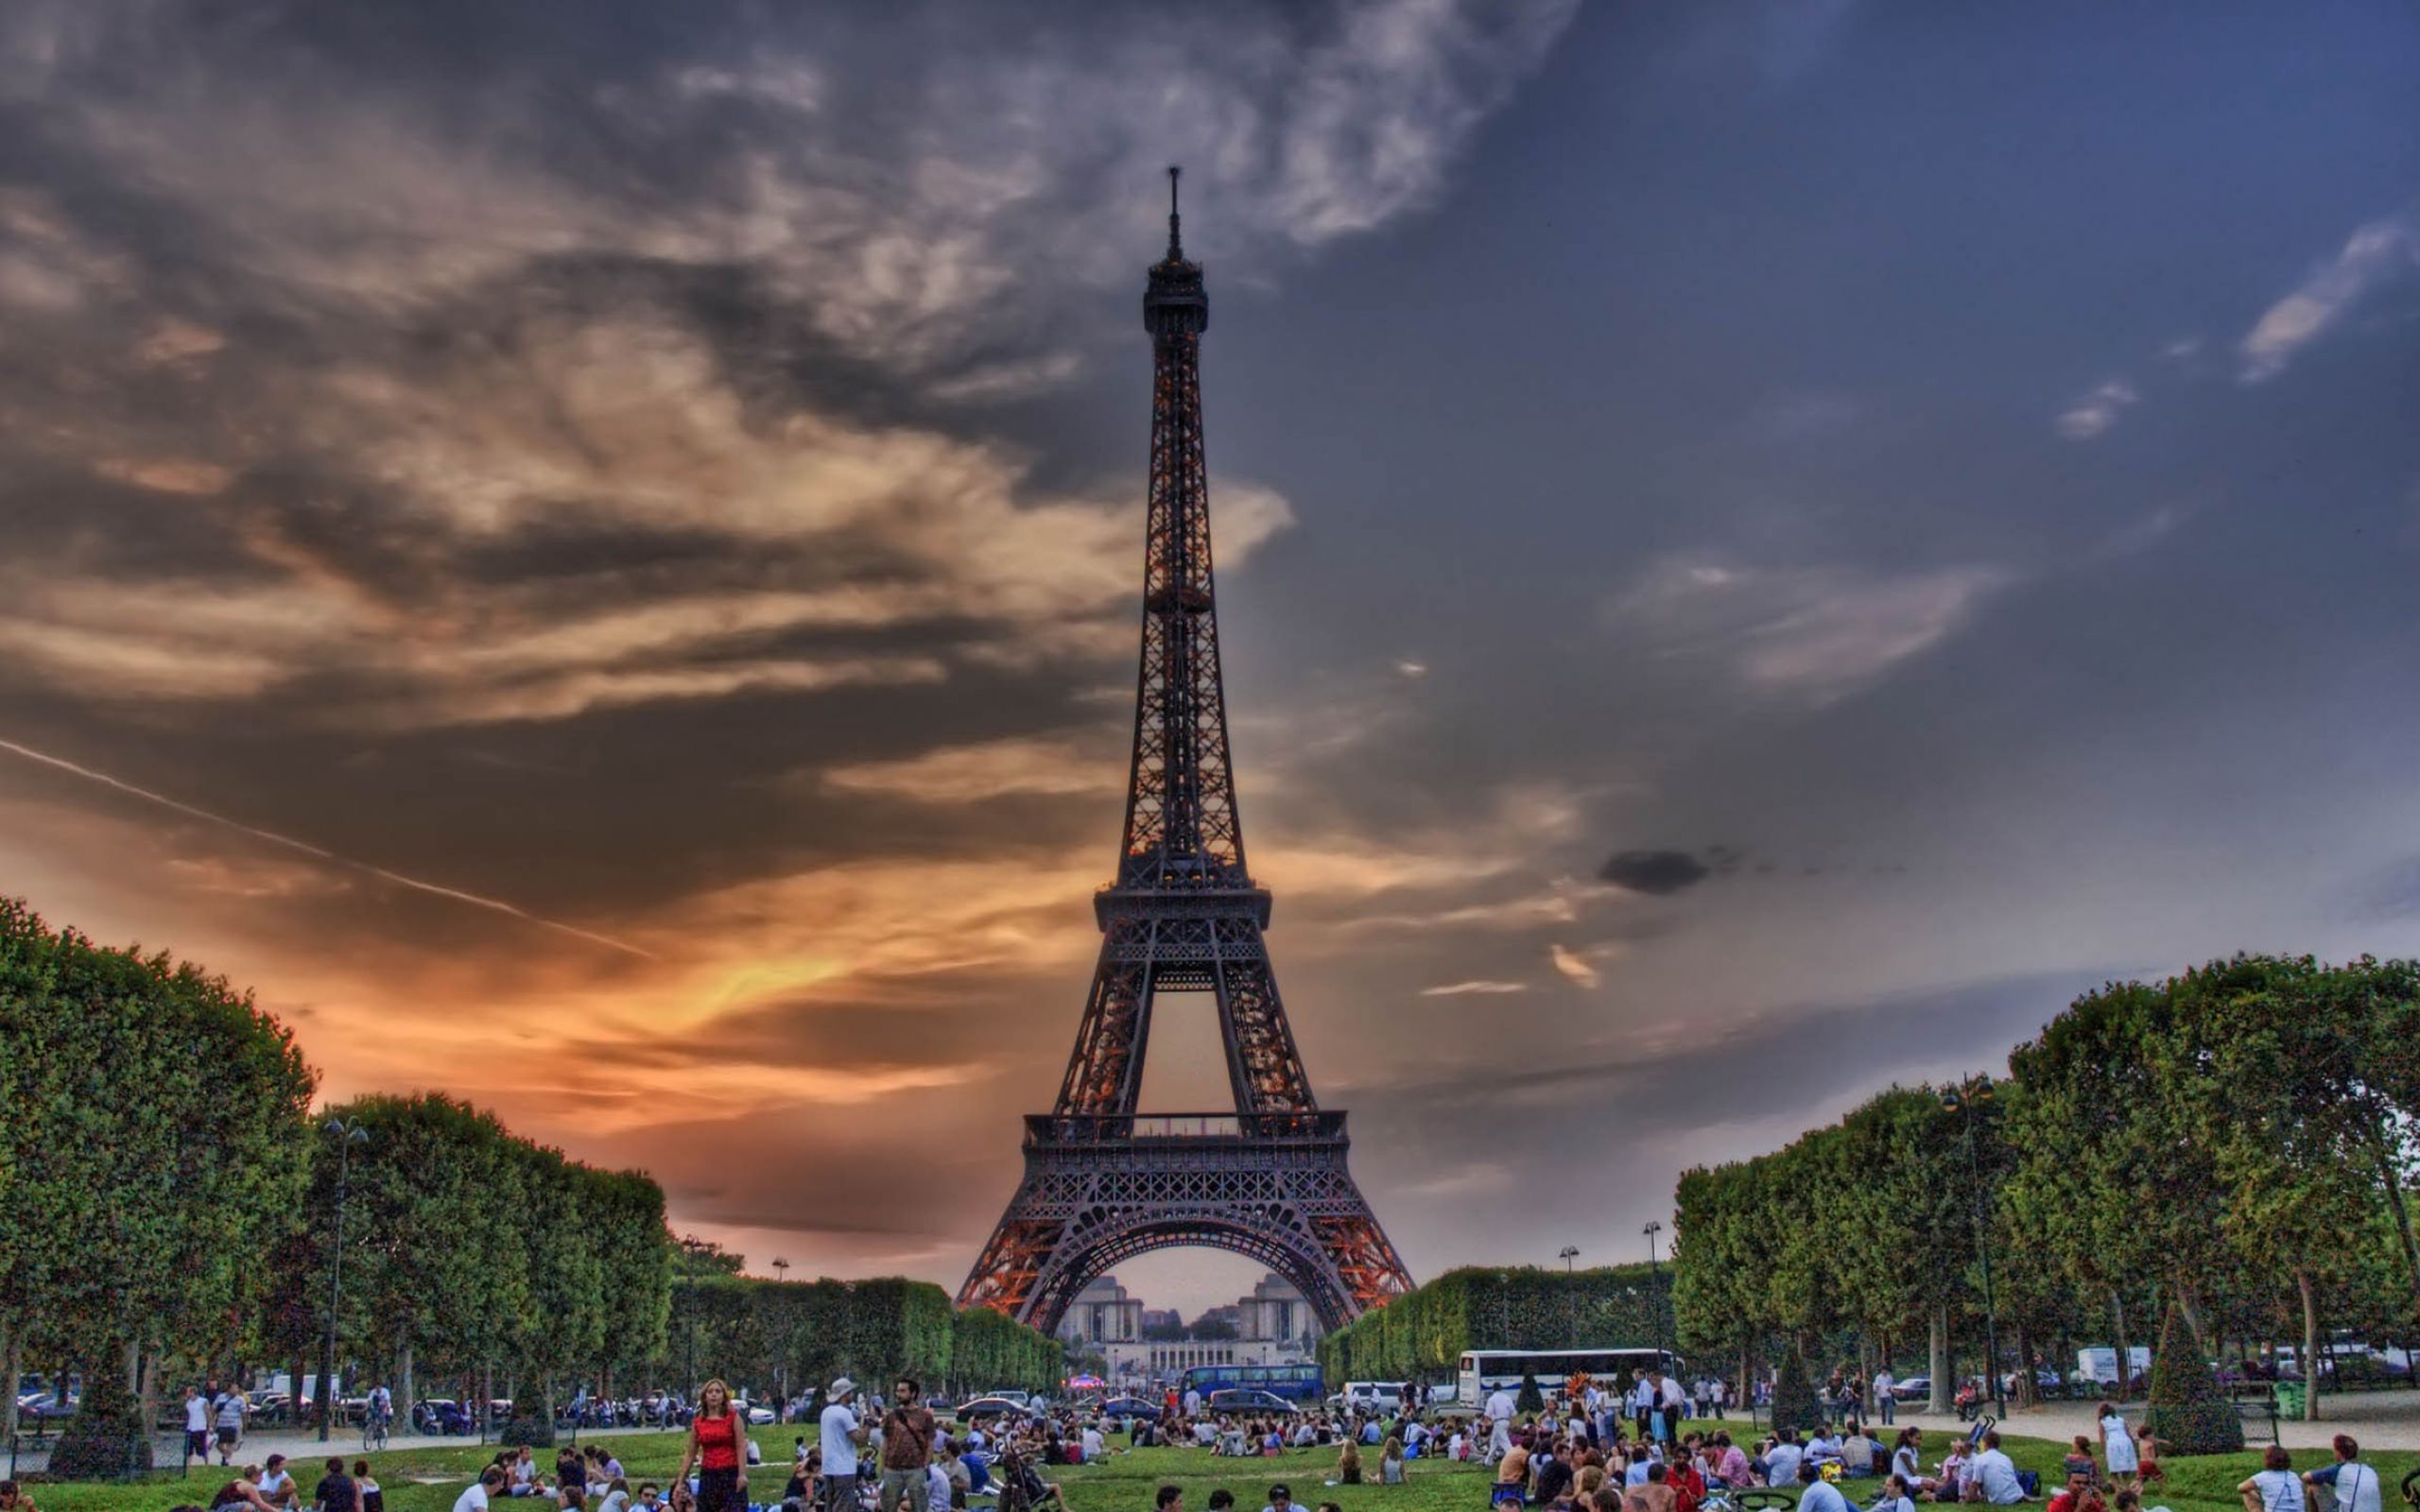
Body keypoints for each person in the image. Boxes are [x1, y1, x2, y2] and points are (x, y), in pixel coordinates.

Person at [675, 1378, 752, 1512]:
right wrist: (680, 1480)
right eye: (710, 1392)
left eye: (718, 1391)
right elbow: (690, 1452)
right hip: (709, 1474)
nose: (714, 1394)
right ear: (705, 1396)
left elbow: (741, 1446)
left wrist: (742, 1474)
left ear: (724, 1396)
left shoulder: (733, 1417)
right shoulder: (699, 1422)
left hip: (731, 1473)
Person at [878, 1377, 937, 1512]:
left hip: (916, 1468)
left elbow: (930, 1442)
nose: (899, 1394)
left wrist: (925, 1464)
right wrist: (884, 1464)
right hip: (892, 1469)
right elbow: (886, 1441)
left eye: (903, 1391)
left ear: (913, 1393)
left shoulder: (925, 1417)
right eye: (897, 1391)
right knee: (888, 1506)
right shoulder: (892, 1416)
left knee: (919, 1506)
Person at [824, 1377, 870, 1512]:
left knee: (830, 1504)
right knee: (843, 1506)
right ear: (845, 1395)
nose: (852, 1395)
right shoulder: (844, 1413)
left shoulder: (826, 1412)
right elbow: (859, 1440)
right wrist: (869, 1423)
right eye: (850, 1392)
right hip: (843, 1468)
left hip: (828, 1467)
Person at [2305, 1435, 2382, 1512]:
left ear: (2338, 1453)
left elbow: (2307, 1477)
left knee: (2314, 1485)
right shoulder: (2370, 1470)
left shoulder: (2339, 1470)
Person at [2243, 1447, 2307, 1512]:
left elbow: (2241, 1488)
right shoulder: (2294, 1476)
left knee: (2246, 1492)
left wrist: (2256, 1495)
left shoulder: (2263, 1477)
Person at [1969, 1433, 2025, 1506]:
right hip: (2017, 1496)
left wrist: (1967, 1500)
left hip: (1998, 1500)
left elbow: (1975, 1483)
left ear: (1984, 1444)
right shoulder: (2006, 1458)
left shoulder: (1980, 1459)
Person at [2096, 1403, 2137, 1492]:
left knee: (2113, 1471)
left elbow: (2102, 1439)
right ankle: (2127, 1488)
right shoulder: (2121, 1419)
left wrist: (2104, 1452)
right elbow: (2128, 1433)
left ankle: (2118, 1490)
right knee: (2125, 1469)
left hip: (2113, 1444)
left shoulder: (2103, 1422)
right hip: (2125, 1442)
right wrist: (2134, 1446)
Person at [216, 1388, 251, 1466]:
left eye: (236, 1388)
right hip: (221, 1424)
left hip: (234, 1424)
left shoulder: (240, 1399)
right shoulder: (220, 1397)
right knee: (217, 1443)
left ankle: (226, 1460)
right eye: (233, 1388)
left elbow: (244, 1412)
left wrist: (245, 1424)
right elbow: (214, 1409)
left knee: (230, 1444)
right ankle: (226, 1454)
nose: (235, 1390)